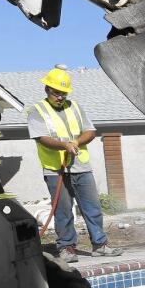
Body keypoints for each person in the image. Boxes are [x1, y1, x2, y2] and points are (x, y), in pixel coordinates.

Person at [27, 65, 122, 262]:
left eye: (63, 93)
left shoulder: (76, 107)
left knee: (92, 208)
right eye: (56, 92)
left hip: (81, 167)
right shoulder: (37, 111)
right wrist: (64, 146)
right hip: (56, 170)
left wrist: (76, 142)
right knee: (63, 211)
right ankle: (67, 247)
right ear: (47, 90)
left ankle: (100, 244)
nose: (60, 97)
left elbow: (89, 131)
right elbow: (41, 138)